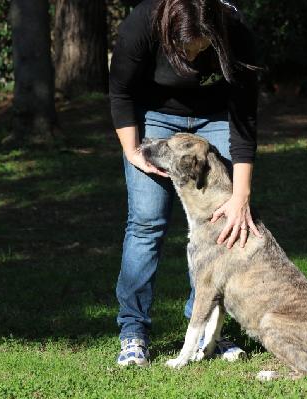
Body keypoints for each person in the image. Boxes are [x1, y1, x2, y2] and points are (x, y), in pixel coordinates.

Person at [109, 0, 260, 366]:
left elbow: (244, 117)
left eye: (202, 48)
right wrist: (131, 150)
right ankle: (134, 332)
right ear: (168, 29)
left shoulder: (234, 29)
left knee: (227, 225)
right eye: (185, 49)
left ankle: (210, 329)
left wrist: (241, 195)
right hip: (157, 121)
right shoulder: (142, 24)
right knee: (147, 222)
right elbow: (121, 91)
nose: (194, 59)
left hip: (217, 119)